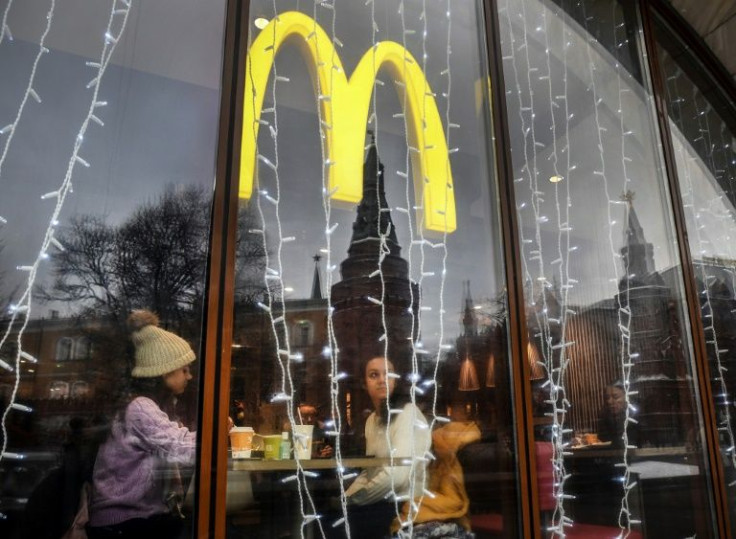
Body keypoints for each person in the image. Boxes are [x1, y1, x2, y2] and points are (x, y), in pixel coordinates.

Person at [87, 310, 212, 538]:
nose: (189, 376)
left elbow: (176, 441)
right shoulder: (140, 408)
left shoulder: (145, 405)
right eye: (184, 369)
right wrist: (217, 428)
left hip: (133, 520)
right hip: (125, 525)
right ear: (164, 373)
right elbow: (182, 450)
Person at [329, 356, 431, 539]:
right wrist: (346, 498)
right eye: (374, 375)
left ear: (395, 381)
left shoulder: (407, 414)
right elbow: (370, 471)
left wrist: (353, 500)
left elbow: (397, 477)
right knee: (327, 517)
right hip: (381, 502)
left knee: (332, 525)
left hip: (406, 504)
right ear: (364, 384)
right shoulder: (372, 420)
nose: (382, 380)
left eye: (388, 374)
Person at [597, 381, 639, 448]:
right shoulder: (605, 415)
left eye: (615, 397)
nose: (609, 401)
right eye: (607, 398)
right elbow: (603, 439)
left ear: (627, 396)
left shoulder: (637, 415)